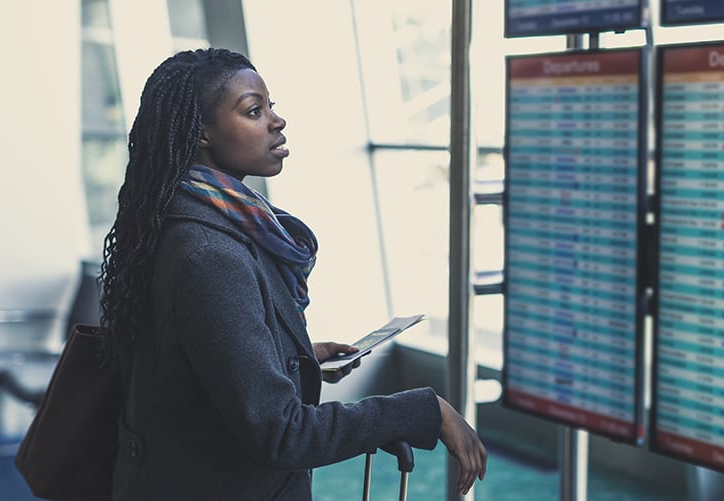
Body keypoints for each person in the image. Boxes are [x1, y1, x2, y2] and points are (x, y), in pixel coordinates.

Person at [99, 48, 487, 500]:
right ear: (200, 131)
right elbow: (281, 433)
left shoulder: (181, 220)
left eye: (271, 106)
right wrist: (424, 410)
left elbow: (188, 362)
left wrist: (290, 353)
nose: (276, 122)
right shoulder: (209, 254)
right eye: (253, 110)